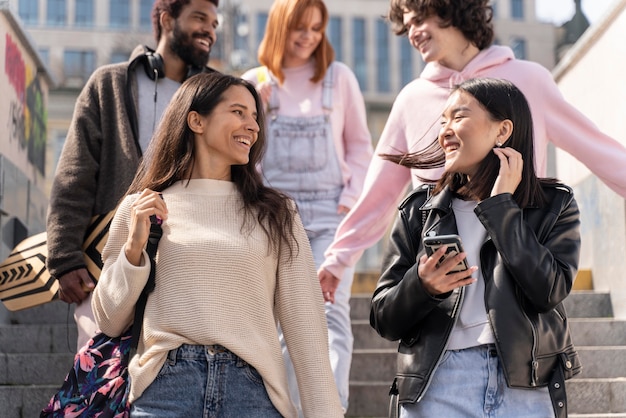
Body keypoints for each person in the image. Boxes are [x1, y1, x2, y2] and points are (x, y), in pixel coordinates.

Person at [318, 0, 626, 302]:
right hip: (442, 278)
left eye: (419, 20)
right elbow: (378, 192)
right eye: (407, 25)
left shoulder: (528, 80)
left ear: (450, 9)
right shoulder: (411, 99)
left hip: (516, 265)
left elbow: (595, 148)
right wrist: (339, 257)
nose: (412, 33)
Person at [91, 72, 344, 417]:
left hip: (253, 392)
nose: (252, 126)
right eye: (238, 112)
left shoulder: (277, 213)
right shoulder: (141, 207)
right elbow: (109, 320)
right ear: (196, 120)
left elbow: (307, 331)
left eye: (255, 116)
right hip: (166, 388)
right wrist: (134, 247)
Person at [370, 77, 582, 418]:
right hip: (438, 382)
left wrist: (501, 208)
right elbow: (384, 318)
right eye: (443, 121)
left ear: (502, 131)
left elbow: (549, 291)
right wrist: (422, 286)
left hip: (525, 384)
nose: (445, 131)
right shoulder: (418, 211)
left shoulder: (553, 205)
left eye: (459, 117)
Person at [46, 0, 220, 349]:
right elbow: (74, 174)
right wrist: (64, 257)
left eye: (215, 24)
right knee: (98, 363)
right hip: (107, 258)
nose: (210, 31)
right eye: (200, 18)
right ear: (167, 19)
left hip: (186, 257)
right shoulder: (107, 84)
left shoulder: (215, 94)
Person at [241, 0, 373, 414]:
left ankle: (330, 410)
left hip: (331, 216)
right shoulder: (253, 82)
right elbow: (240, 157)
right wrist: (253, 109)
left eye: (316, 29)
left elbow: (360, 147)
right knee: (281, 321)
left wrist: (349, 203)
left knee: (330, 316)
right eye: (300, 27)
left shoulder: (339, 78)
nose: (308, 37)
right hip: (272, 217)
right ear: (280, 26)